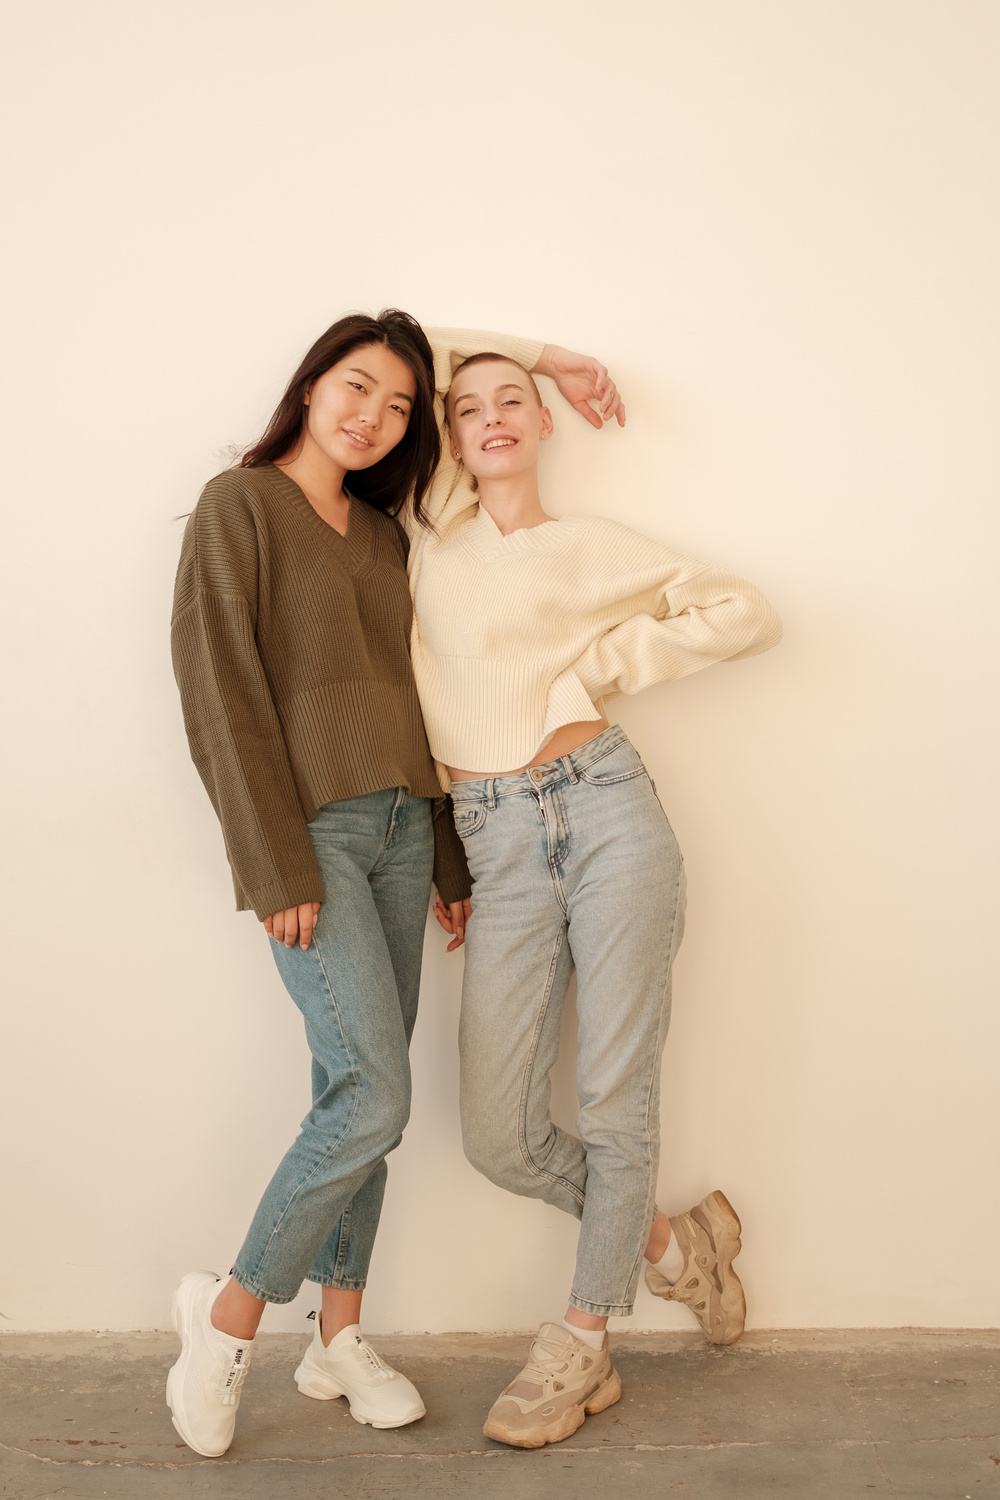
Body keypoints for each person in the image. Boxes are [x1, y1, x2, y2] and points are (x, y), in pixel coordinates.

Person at [167, 311, 620, 1458]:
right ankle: (224, 1322)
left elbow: (418, 709)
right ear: (311, 383)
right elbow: (220, 696)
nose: (373, 416)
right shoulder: (241, 507)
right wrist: (270, 861)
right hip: (307, 838)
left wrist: (450, 856)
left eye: (401, 405)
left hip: (404, 833)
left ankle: (338, 1335)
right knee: (374, 1096)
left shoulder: (380, 538)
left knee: (352, 1096)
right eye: (356, 387)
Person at [406, 347, 782, 1449]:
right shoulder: (432, 530)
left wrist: (599, 668)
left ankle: (582, 1341)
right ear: (449, 430)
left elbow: (742, 609)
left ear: (543, 424)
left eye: (512, 400)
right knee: (496, 1135)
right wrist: (540, 353)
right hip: (496, 843)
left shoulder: (592, 550)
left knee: (618, 1102)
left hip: (608, 811)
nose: (490, 417)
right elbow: (399, 341)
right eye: (467, 407)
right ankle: (675, 1247)